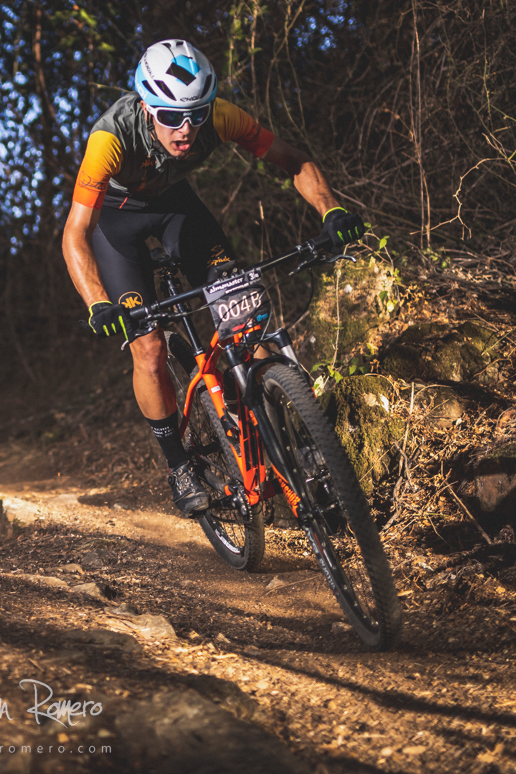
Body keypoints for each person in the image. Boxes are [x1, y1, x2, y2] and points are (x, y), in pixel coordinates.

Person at [61, 39, 364, 515]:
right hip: (116, 225)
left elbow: (294, 161)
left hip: (177, 211)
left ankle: (301, 447)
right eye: (170, 117)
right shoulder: (110, 138)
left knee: (242, 314)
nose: (185, 131)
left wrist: (332, 210)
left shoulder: (222, 116)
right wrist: (98, 302)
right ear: (146, 106)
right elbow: (76, 232)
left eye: (196, 116)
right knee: (150, 348)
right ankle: (177, 463)